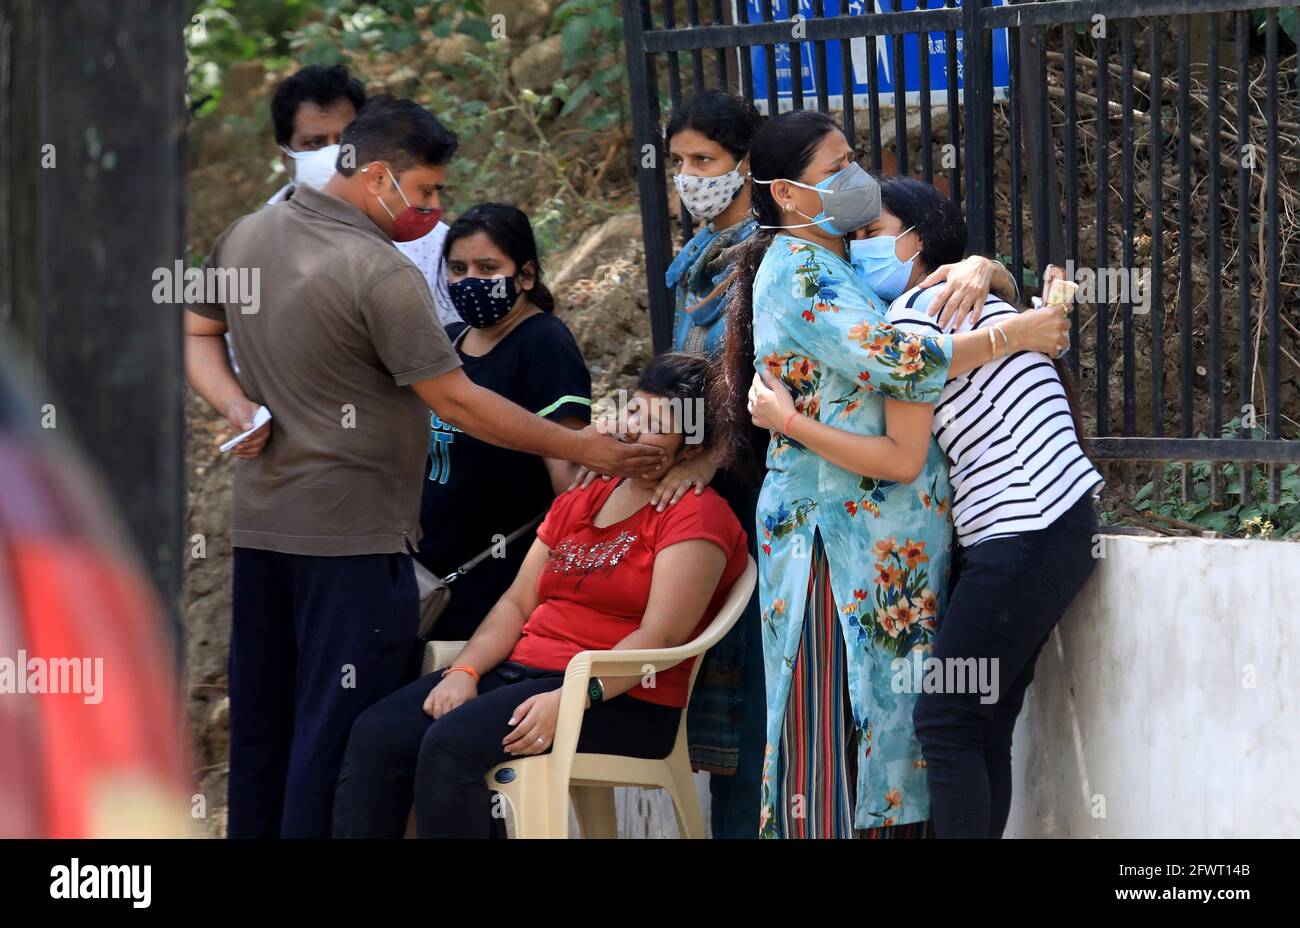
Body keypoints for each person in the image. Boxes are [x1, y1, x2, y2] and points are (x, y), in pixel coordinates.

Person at [184, 96, 664, 839]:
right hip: (354, 541)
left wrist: (237, 406)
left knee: (263, 724)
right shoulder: (378, 270)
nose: (434, 209)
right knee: (334, 730)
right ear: (378, 176)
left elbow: (196, 331)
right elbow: (459, 401)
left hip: (262, 530)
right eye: (427, 189)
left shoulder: (247, 235)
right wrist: (587, 448)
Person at [716, 109, 1070, 838]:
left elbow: (929, 290)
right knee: (840, 717)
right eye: (836, 168)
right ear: (787, 193)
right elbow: (898, 360)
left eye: (854, 158)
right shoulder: (801, 270)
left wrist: (986, 269)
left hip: (882, 537)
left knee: (902, 724)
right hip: (833, 537)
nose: (857, 178)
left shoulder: (838, 261)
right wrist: (1013, 333)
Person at [333, 352, 750, 839]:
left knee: (451, 746)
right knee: (378, 733)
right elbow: (517, 603)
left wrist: (571, 699)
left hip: (623, 699)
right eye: (634, 410)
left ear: (691, 449)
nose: (633, 429)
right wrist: (465, 671)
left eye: (657, 425)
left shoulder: (696, 516)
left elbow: (660, 637)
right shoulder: (586, 494)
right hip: (523, 673)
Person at [415, 203, 592, 643]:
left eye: (488, 267)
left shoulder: (543, 343)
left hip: (493, 579)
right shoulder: (449, 340)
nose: (470, 281)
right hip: (426, 569)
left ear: (526, 275)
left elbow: (569, 472)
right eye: (458, 269)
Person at [267, 64, 459, 325]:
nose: (333, 154)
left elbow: (459, 336)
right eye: (314, 143)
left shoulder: (429, 242)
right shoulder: (250, 240)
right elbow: (223, 336)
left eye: (344, 141)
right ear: (286, 158)